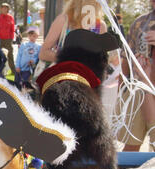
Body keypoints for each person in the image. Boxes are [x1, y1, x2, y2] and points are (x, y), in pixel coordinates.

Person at [115, 0, 155, 152]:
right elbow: (126, 57)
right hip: (139, 92)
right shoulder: (140, 22)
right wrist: (121, 89)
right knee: (131, 145)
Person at [39, 0, 107, 63]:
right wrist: (72, 59)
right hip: (64, 73)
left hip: (88, 74)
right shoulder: (64, 20)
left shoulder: (100, 25)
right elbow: (43, 53)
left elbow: (103, 59)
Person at [0, 3, 16, 75]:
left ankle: (13, 71)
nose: (4, 9)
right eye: (3, 7)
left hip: (8, 40)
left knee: (10, 55)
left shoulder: (11, 18)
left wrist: (11, 39)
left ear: (8, 9)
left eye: (6, 8)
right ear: (0, 9)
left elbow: (12, 29)